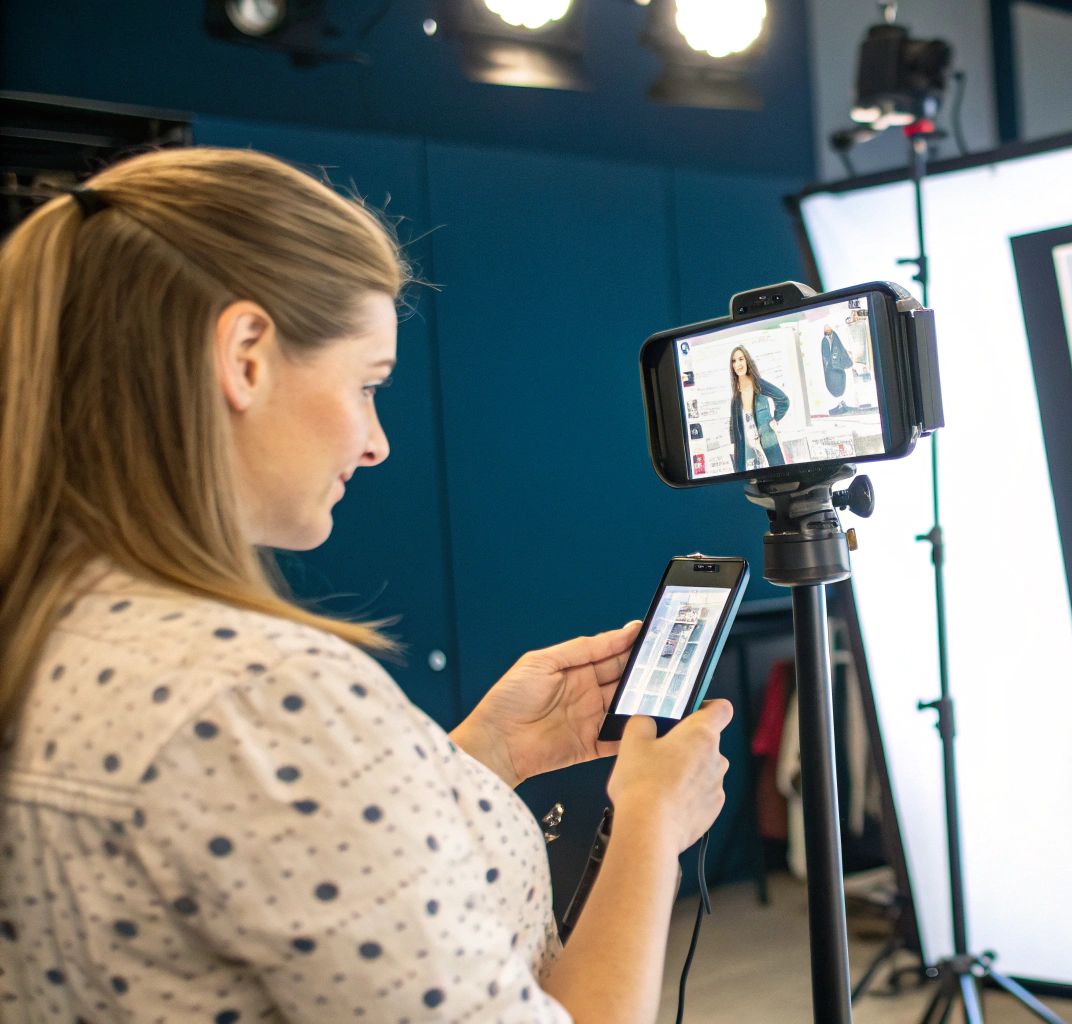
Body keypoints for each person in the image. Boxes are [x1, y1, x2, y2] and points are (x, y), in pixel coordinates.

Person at [0, 148, 731, 1023]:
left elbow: (270, 858)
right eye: (366, 385)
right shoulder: (261, 697)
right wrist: (651, 825)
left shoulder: (48, 633)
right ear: (244, 357)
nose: (377, 442)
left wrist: (490, 753)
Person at [727, 344, 789, 471]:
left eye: (741, 359)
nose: (738, 364)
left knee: (777, 475)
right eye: (734, 361)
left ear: (747, 361)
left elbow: (783, 400)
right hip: (748, 446)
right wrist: (734, 445)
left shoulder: (758, 385)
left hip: (767, 439)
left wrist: (775, 419)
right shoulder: (736, 397)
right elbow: (734, 424)